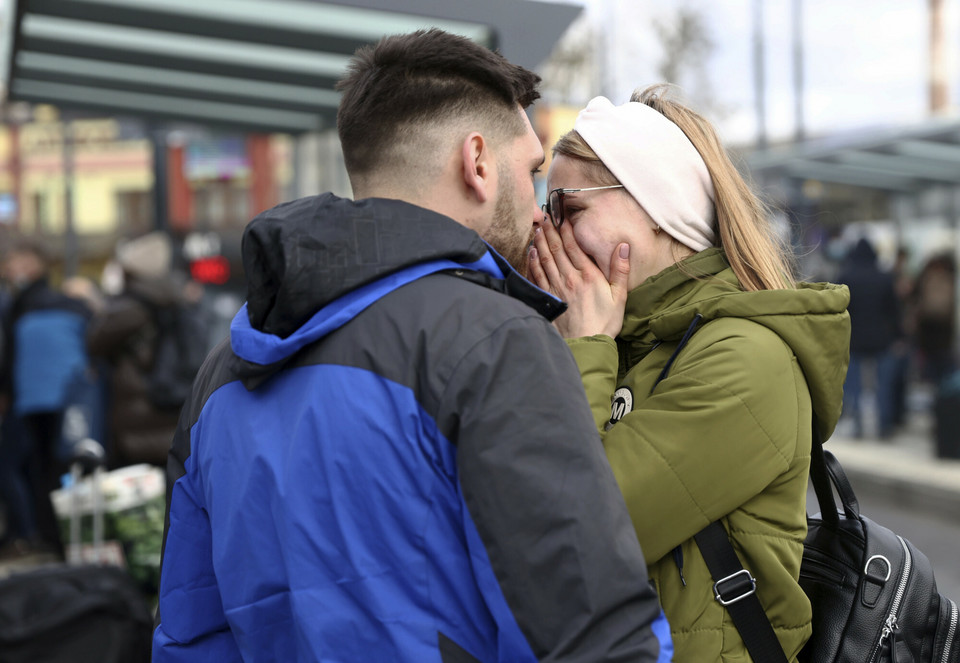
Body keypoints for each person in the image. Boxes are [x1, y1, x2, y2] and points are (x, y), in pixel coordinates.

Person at [152, 29, 672, 663]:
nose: (541, 213)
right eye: (532, 172)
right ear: (477, 162)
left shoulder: (223, 372)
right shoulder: (492, 341)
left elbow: (190, 634)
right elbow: (596, 632)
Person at [529, 85, 851, 662]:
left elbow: (580, 531)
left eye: (568, 207)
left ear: (658, 207)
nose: (547, 230)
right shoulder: (624, 333)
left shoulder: (749, 358)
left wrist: (585, 347)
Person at [0, 236, 92, 559]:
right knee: (61, 464)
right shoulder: (66, 304)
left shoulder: (22, 306)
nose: (12, 269)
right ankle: (60, 537)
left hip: (34, 398)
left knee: (39, 468)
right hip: (69, 395)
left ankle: (43, 535)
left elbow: (10, 356)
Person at [86, 231, 206, 468]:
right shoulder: (177, 298)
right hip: (172, 402)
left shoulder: (131, 308)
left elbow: (94, 340)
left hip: (138, 408)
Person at [836, 237, 902, 438]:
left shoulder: (846, 276)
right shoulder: (884, 277)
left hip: (853, 338)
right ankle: (883, 426)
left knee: (853, 386)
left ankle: (857, 426)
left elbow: (838, 310)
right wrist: (899, 336)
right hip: (881, 338)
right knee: (882, 386)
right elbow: (894, 310)